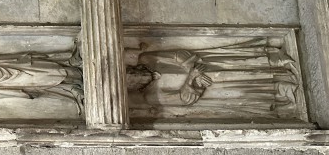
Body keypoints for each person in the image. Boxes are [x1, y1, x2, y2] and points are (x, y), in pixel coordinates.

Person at [125, 39, 299, 118]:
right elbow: (183, 100)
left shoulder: (146, 59)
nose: (136, 77)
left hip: (202, 66)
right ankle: (282, 87)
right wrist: (191, 80)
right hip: (205, 87)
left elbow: (176, 55)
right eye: (132, 81)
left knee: (240, 63)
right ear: (132, 88)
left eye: (131, 72)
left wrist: (193, 69)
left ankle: (278, 60)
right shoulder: (150, 97)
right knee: (242, 84)